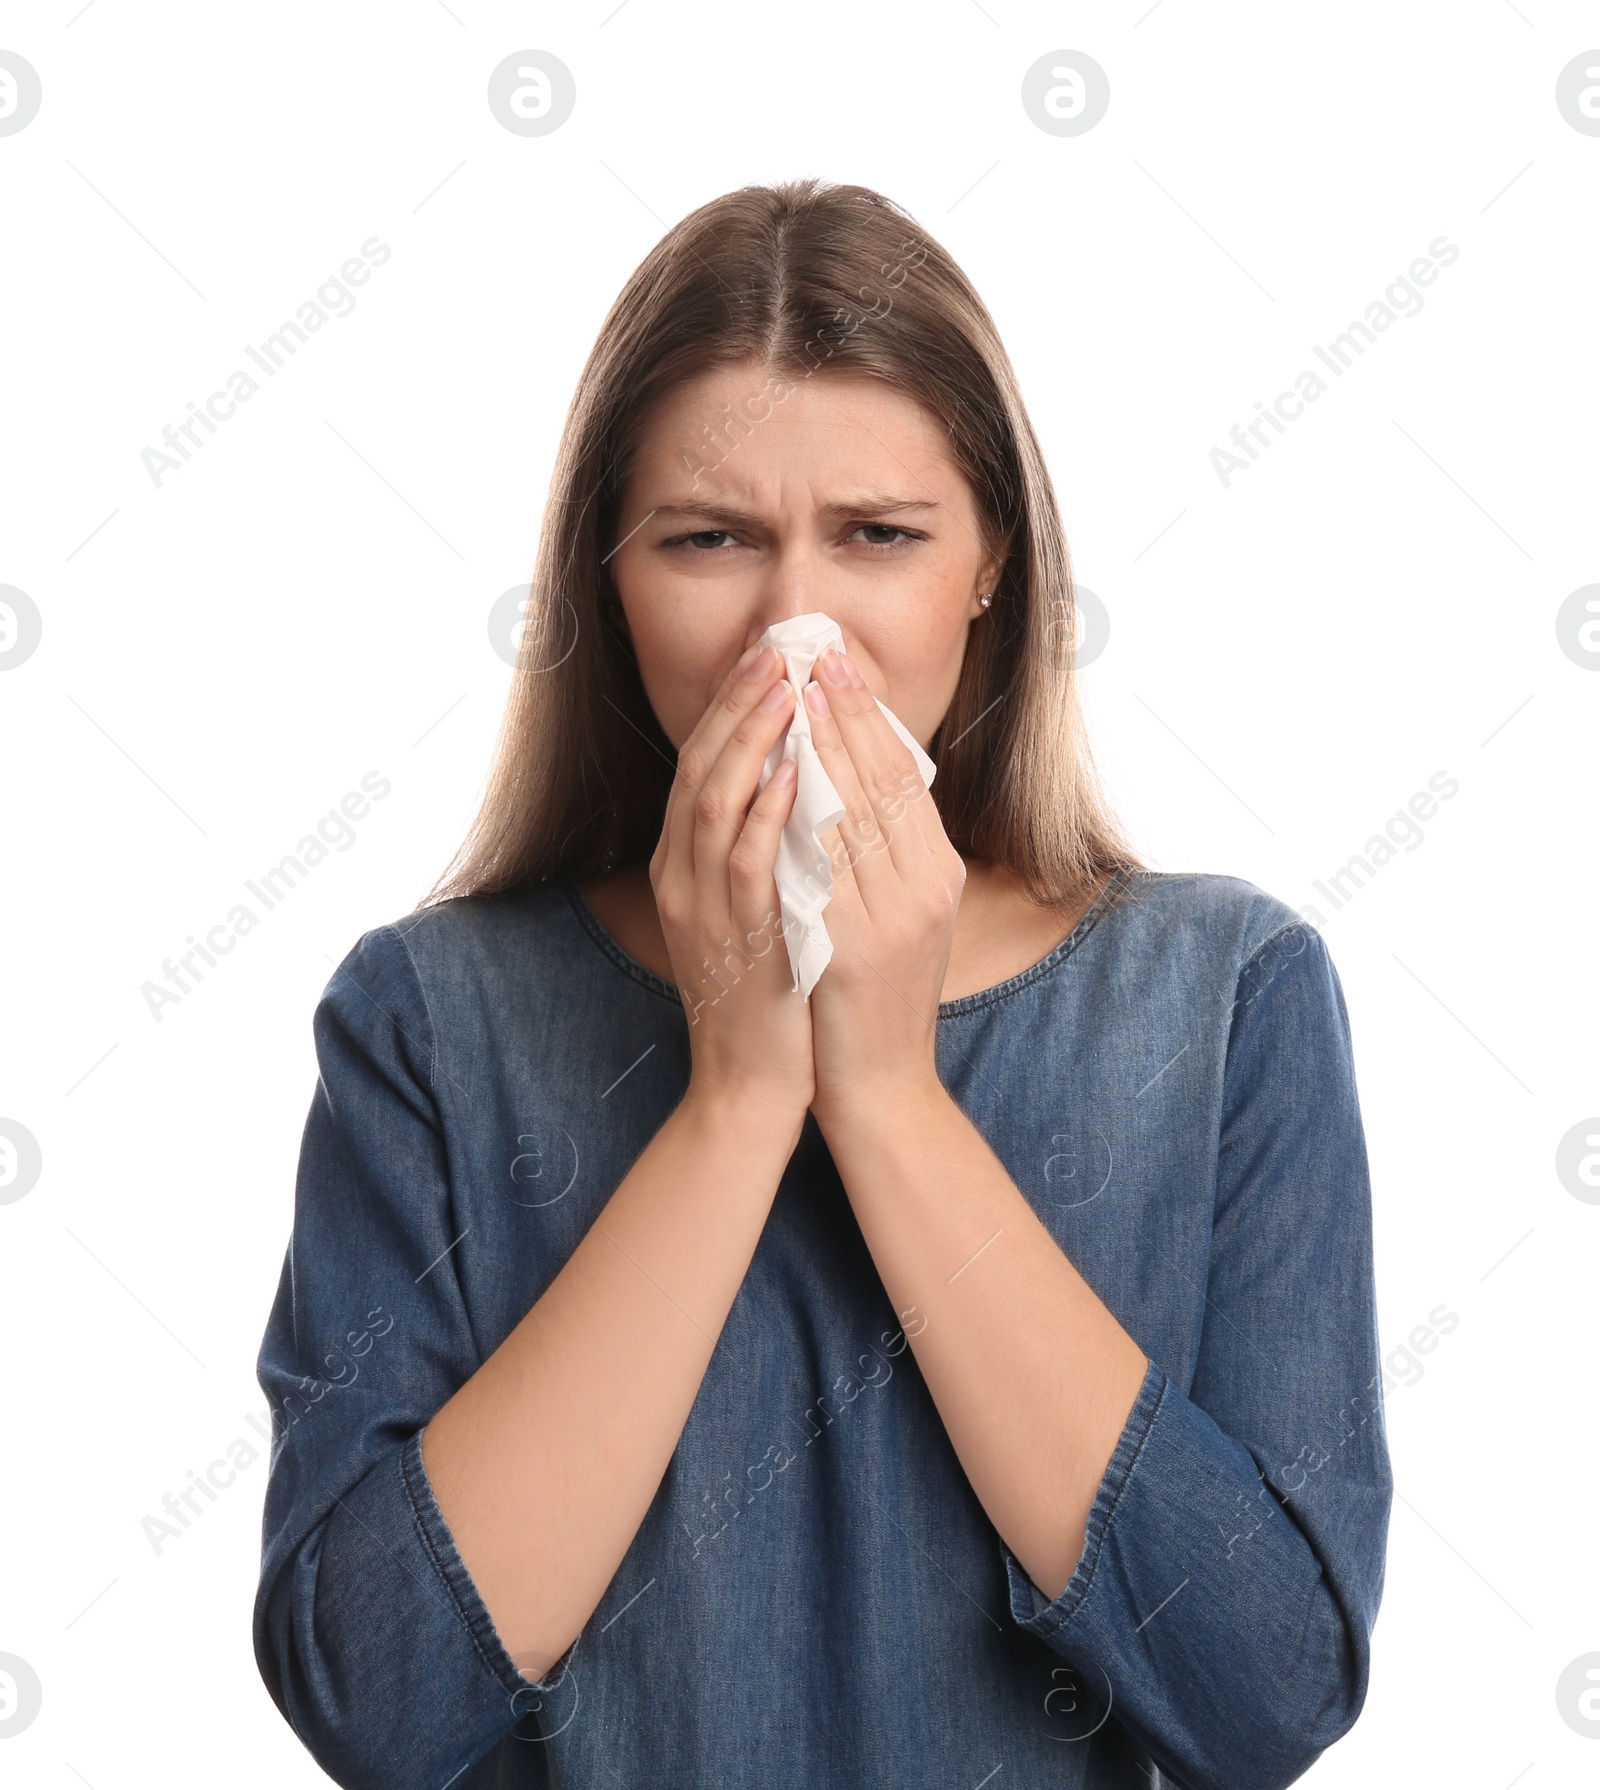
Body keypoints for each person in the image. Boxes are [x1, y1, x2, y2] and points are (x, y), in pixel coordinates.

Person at [252, 177, 1391, 1790]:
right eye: (710, 539)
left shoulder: (1226, 999)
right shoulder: (428, 1019)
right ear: (608, 577)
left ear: (991, 563)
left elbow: (1268, 1690)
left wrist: (886, 1095)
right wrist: (736, 1100)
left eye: (879, 536)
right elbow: (377, 1700)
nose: (794, 630)